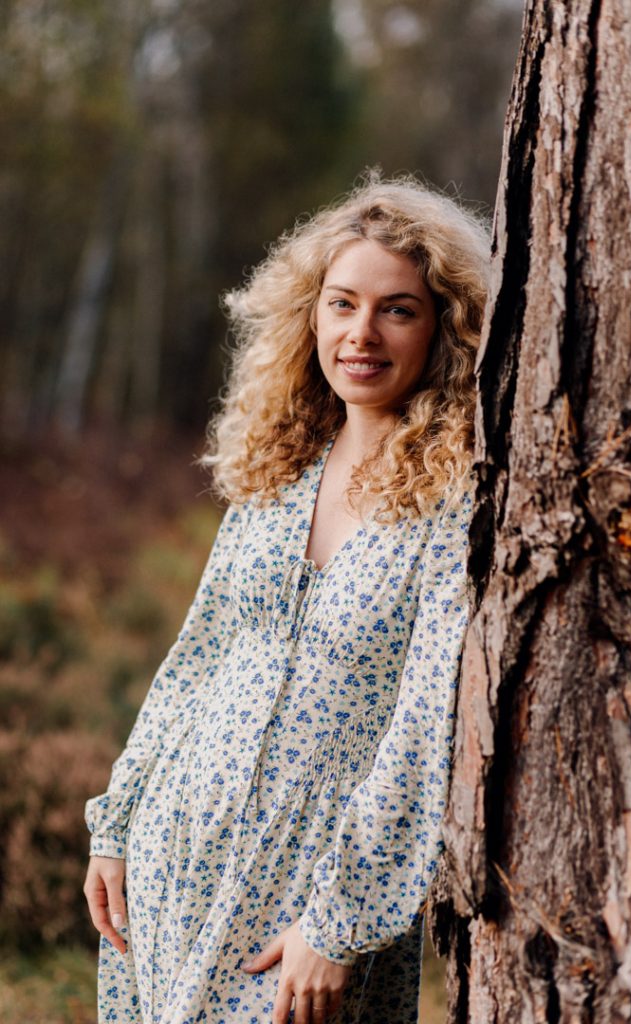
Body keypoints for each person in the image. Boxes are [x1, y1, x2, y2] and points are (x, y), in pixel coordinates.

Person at [83, 173, 490, 1024]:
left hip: (308, 889)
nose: (361, 334)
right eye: (341, 303)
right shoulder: (278, 469)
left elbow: (425, 725)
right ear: (310, 314)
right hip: (174, 856)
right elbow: (197, 660)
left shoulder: (455, 499)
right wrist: (117, 824)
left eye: (398, 310)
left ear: (445, 329)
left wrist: (339, 924)